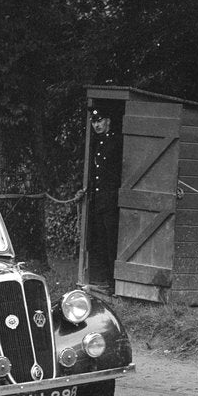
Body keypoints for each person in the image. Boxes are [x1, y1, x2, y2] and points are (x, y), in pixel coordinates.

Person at [86, 106, 123, 290]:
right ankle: (106, 281)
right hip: (99, 201)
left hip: (112, 201)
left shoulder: (116, 142)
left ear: (108, 121)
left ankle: (115, 283)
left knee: (112, 242)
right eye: (94, 122)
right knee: (101, 241)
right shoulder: (96, 143)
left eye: (100, 120)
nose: (97, 125)